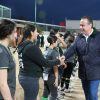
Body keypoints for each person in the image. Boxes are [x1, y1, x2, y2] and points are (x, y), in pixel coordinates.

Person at [18, 24, 65, 100]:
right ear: (31, 33)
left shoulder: (22, 45)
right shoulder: (31, 47)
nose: (37, 33)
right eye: (36, 31)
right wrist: (58, 61)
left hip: (24, 76)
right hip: (30, 78)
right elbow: (45, 63)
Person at [64, 16, 100, 100]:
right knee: (87, 94)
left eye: (83, 25)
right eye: (80, 25)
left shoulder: (98, 37)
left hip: (95, 73)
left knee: (92, 93)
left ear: (90, 25)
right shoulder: (79, 37)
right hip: (83, 72)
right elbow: (72, 49)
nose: (80, 27)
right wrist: (63, 56)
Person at [0, 19, 17, 100]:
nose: (16, 35)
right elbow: (2, 84)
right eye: (14, 32)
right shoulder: (2, 52)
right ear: (8, 34)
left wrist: (13, 94)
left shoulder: (6, 48)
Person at [42, 35, 60, 100]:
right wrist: (56, 78)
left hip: (45, 74)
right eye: (57, 41)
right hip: (51, 75)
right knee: (54, 94)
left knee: (46, 91)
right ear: (53, 42)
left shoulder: (46, 50)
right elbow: (55, 67)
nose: (57, 43)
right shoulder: (54, 52)